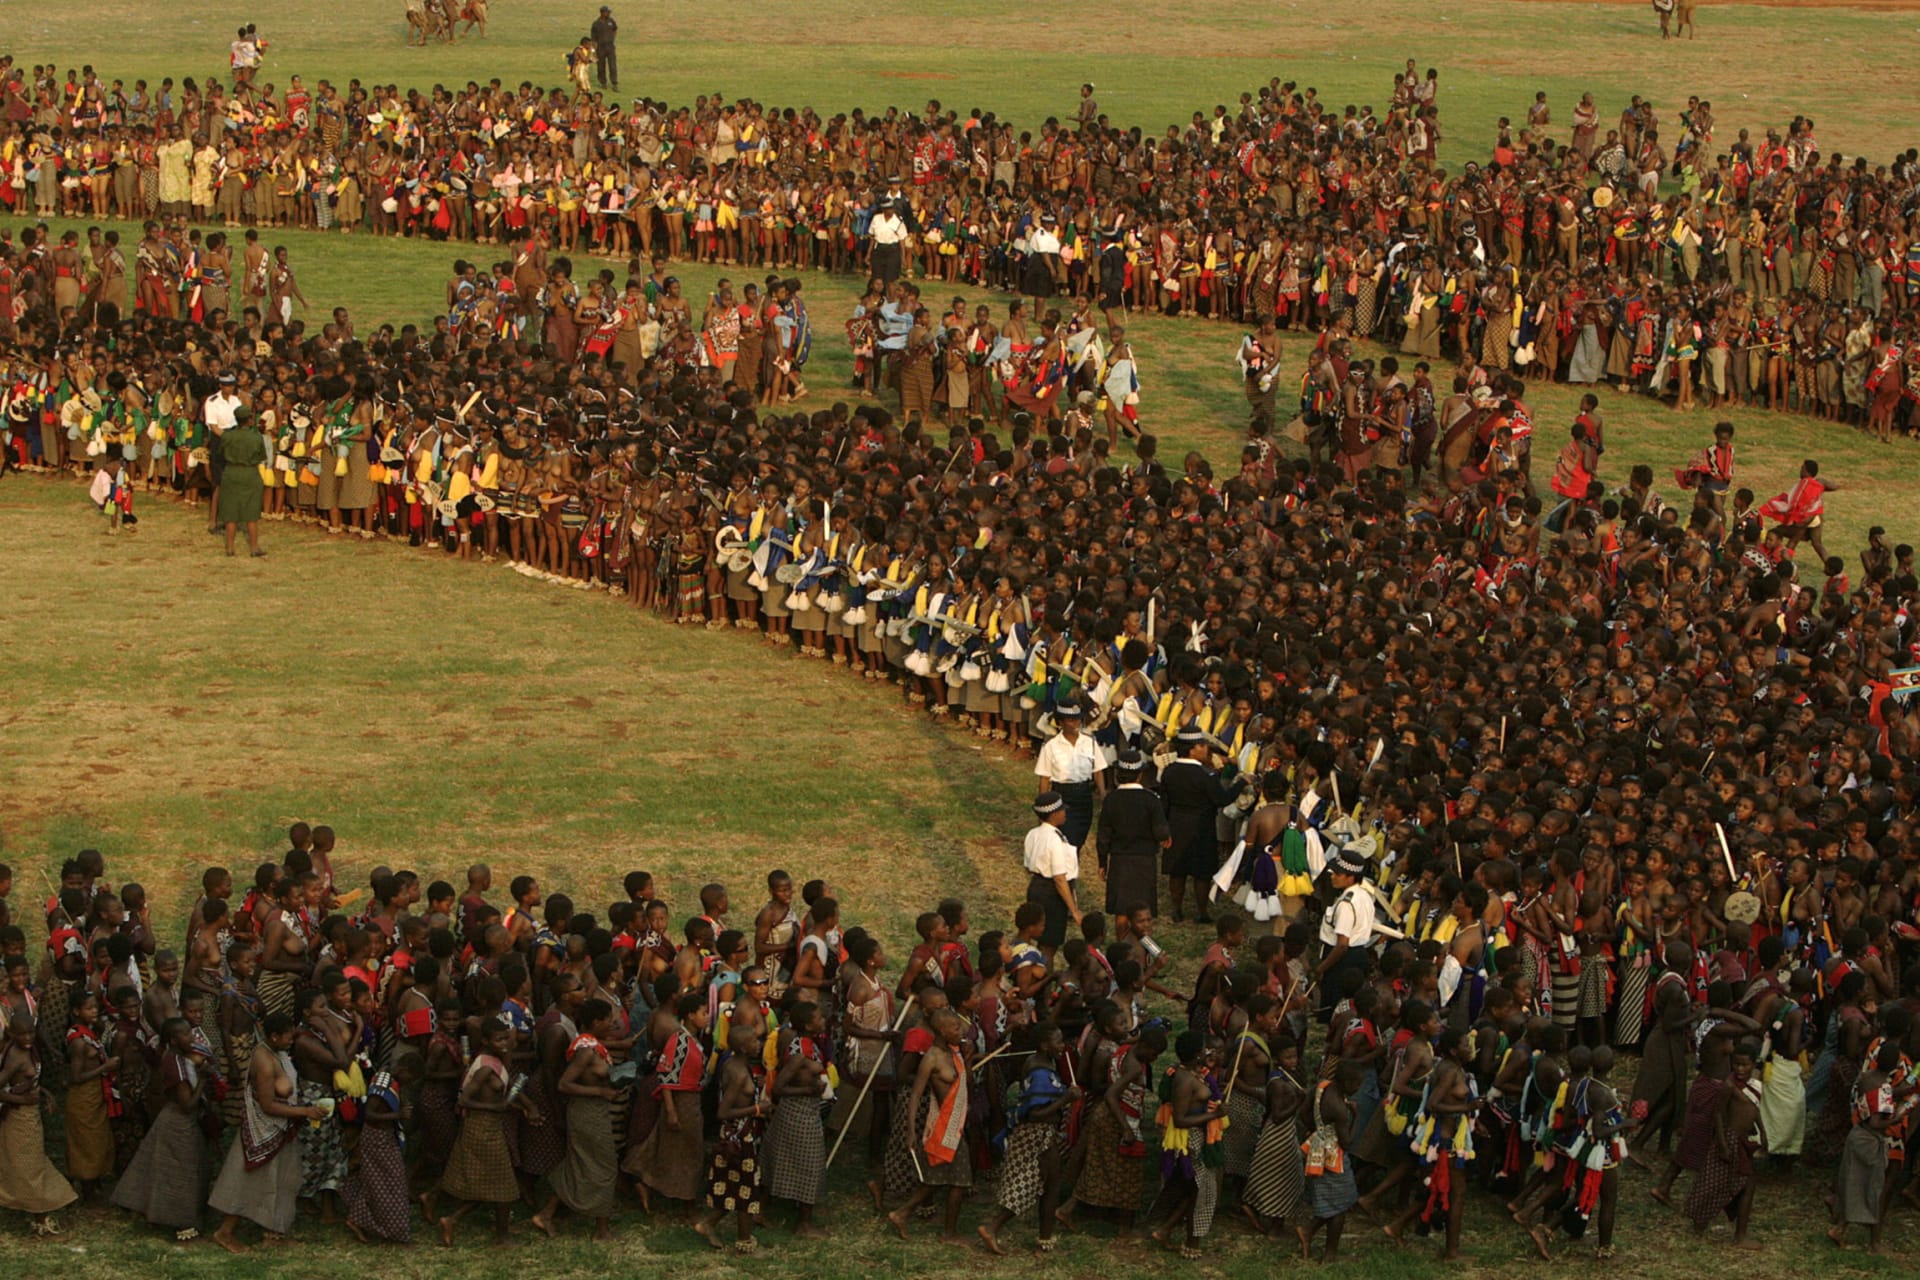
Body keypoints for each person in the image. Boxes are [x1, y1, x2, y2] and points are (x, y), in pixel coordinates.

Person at [208, 1011, 326, 1253]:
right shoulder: (263, 1059)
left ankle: (273, 1234)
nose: (291, 1040)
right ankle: (224, 1232)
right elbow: (268, 1105)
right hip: (262, 1129)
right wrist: (305, 1111)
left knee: (284, 1180)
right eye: (287, 1036)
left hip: (281, 1128)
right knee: (247, 1183)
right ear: (274, 1037)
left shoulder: (277, 1052)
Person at [0, 1014, 76, 1237]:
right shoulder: (15, 1057)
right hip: (19, 1118)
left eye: (30, 1033)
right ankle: (40, 1218)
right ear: (12, 1034)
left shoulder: (29, 1050)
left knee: (31, 1162)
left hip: (30, 1115)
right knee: (29, 1165)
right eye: (22, 1034)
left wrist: (44, 1093)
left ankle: (39, 1212)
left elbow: (29, 1081)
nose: (27, 1038)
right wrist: (22, 1099)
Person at [1023, 792, 1080, 956]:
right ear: (1054, 814)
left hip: (1036, 886)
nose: (1065, 813)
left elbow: (1028, 866)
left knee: (1039, 937)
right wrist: (1074, 910)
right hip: (1052, 894)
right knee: (1049, 944)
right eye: (1062, 810)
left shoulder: (1032, 834)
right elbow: (1060, 879)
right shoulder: (1054, 839)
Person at [217, 404, 267, 557]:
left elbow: (220, 454)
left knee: (231, 513)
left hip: (231, 472)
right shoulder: (256, 437)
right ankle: (254, 548)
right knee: (251, 513)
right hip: (250, 473)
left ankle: (230, 548)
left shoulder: (227, 436)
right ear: (250, 419)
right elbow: (261, 456)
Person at [589, 7, 618, 91]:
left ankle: (614, 83)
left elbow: (615, 29)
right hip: (600, 47)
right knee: (601, 66)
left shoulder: (611, 21)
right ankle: (603, 83)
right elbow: (593, 39)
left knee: (612, 66)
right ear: (602, 13)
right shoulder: (596, 24)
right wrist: (594, 50)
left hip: (610, 46)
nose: (609, 14)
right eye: (607, 12)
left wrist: (612, 38)